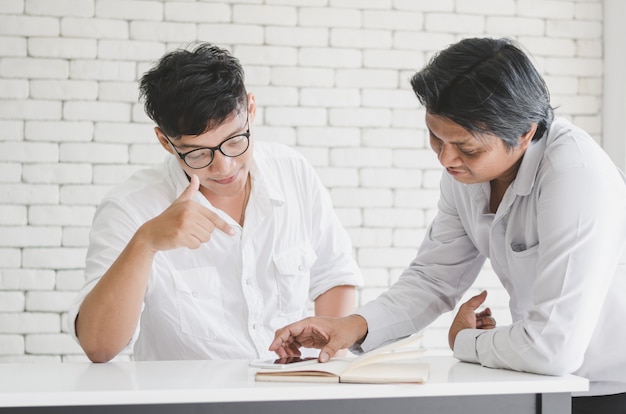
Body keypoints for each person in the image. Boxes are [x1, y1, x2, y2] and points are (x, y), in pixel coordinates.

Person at [269, 37, 626, 413]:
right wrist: (352, 326)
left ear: (525, 134)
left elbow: (552, 347)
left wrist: (464, 341)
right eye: (435, 138)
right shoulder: (465, 175)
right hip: (549, 386)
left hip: (612, 384)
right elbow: (433, 278)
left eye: (466, 148)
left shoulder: (576, 176)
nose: (446, 159)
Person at [68, 43, 362, 363]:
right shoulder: (130, 207)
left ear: (250, 109)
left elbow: (334, 275)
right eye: (197, 153)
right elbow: (99, 346)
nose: (224, 168)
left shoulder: (293, 171)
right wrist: (145, 242)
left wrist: (329, 360)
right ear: (165, 142)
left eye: (235, 141)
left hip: (288, 391)